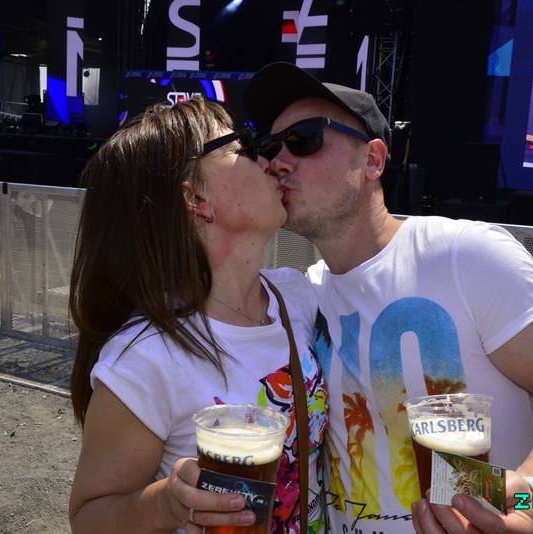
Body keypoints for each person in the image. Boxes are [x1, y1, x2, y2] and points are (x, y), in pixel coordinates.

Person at [242, 62, 533, 534]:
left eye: (304, 139)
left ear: (373, 160)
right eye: (269, 147)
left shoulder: (466, 255)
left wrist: (529, 494)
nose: (278, 161)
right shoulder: (307, 296)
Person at [67, 96, 328, 534]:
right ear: (196, 198)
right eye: (244, 146)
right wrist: (166, 506)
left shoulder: (296, 295)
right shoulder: (145, 358)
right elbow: (87, 518)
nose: (269, 159)